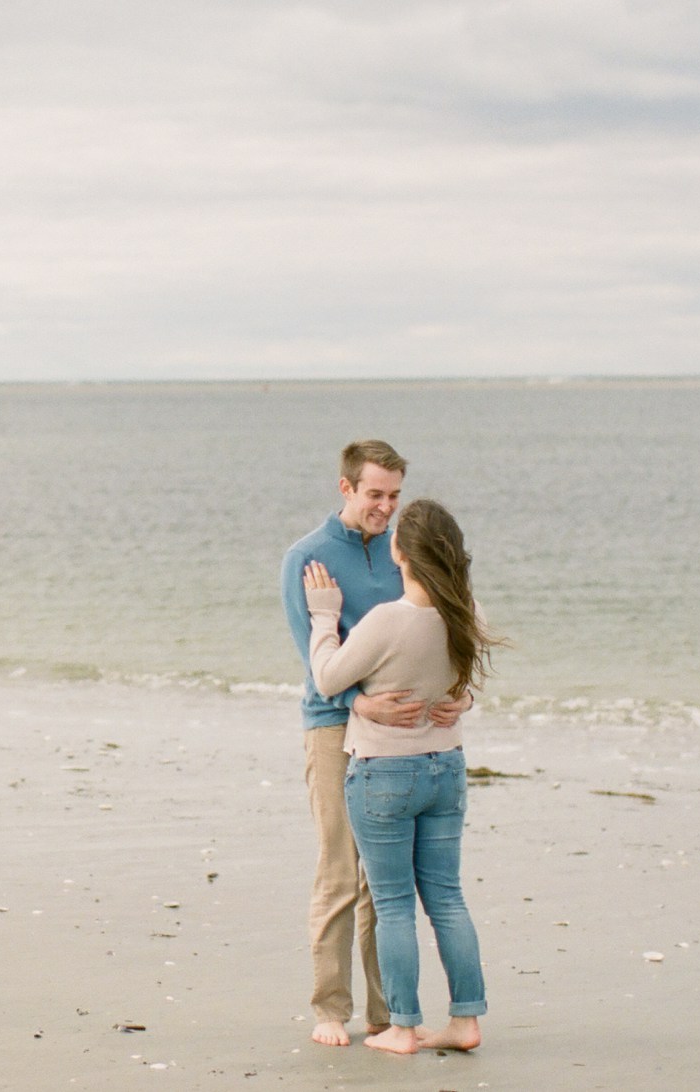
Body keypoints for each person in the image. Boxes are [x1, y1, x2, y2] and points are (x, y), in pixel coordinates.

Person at [280, 440, 468, 1047]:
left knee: (382, 886)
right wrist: (358, 702)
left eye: (394, 496)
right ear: (345, 488)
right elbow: (314, 660)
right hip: (335, 726)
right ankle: (330, 1008)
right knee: (341, 869)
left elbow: (449, 633)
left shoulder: (403, 554)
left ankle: (389, 1013)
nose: (385, 507)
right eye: (374, 495)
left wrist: (461, 694)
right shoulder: (306, 558)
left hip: (410, 738)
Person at [306, 498, 498, 1055]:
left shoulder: (389, 619)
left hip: (385, 774)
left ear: (401, 553)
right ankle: (464, 1022)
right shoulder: (468, 611)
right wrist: (458, 700)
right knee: (447, 899)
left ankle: (404, 1027)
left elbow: (328, 678)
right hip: (446, 770)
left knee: (392, 903)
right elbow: (467, 684)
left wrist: (323, 616)